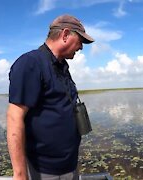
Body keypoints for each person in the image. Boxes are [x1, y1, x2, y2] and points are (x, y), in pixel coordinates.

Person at [6, 14, 94, 180]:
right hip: (45, 171)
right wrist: (19, 174)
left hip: (69, 165)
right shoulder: (31, 63)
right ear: (65, 34)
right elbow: (14, 117)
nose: (81, 47)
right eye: (81, 40)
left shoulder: (62, 66)